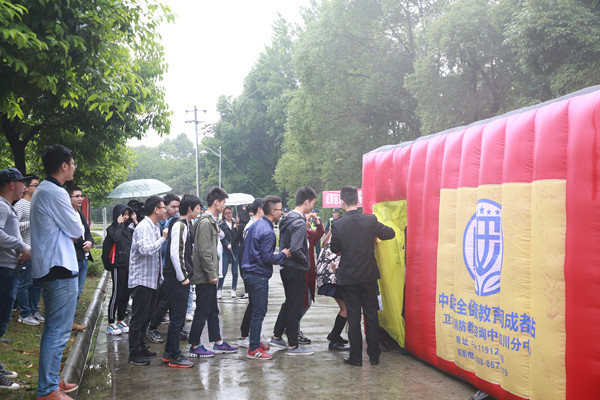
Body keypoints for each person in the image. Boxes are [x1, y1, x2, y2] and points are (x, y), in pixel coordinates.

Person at [30, 145, 83, 399]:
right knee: (58, 331)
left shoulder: (44, 190)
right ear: (64, 165)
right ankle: (48, 390)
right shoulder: (56, 192)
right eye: (72, 163)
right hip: (59, 267)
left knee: (54, 329)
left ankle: (50, 382)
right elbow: (76, 229)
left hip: (50, 266)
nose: (74, 167)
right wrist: (72, 223)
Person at [330, 186, 395, 367]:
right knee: (371, 315)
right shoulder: (370, 220)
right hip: (369, 276)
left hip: (349, 277)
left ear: (342, 202)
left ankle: (356, 358)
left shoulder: (338, 224)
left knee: (353, 318)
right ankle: (374, 356)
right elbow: (390, 233)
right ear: (357, 201)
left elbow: (334, 248)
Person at [188, 187, 237, 358]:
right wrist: (211, 275)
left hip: (209, 274)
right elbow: (204, 251)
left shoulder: (210, 221)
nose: (224, 206)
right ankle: (195, 345)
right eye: (223, 202)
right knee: (202, 309)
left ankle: (218, 342)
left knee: (213, 309)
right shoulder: (205, 222)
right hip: (204, 276)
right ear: (216, 202)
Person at [240, 195, 291, 360]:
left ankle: (254, 342)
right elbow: (267, 257)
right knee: (259, 312)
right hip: (258, 275)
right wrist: (283, 255)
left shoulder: (257, 224)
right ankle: (254, 348)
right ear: (272, 211)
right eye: (280, 210)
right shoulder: (268, 231)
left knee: (256, 309)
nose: (282, 212)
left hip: (249, 272)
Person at [271, 186, 317, 356]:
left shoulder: (288, 218)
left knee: (289, 303)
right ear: (307, 202)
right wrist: (307, 264)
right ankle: (293, 345)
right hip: (296, 269)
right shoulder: (298, 222)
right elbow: (297, 248)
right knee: (295, 306)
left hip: (286, 267)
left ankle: (277, 336)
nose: (312, 206)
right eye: (312, 203)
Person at [161, 194, 202, 368]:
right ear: (190, 208)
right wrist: (183, 277)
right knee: (177, 318)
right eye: (197, 208)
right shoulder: (180, 225)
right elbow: (175, 254)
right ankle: (175, 356)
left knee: (178, 318)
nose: (199, 211)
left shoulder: (186, 224)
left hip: (178, 278)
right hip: (177, 279)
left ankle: (168, 352)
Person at [127, 196, 168, 366]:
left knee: (146, 317)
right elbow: (145, 250)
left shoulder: (155, 226)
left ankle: (142, 346)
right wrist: (163, 239)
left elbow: (156, 255)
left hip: (152, 280)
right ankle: (134, 352)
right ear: (156, 210)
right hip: (142, 280)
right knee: (138, 318)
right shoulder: (144, 226)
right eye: (163, 207)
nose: (165, 210)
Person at [0, 168, 31, 391]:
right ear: (12, 184)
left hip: (9, 269)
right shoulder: (1, 206)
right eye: (22, 183)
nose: (25, 187)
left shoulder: (6, 206)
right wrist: (21, 246)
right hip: (4, 271)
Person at [146, 193, 180, 344]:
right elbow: (158, 248)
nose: (176, 210)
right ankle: (151, 327)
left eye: (178, 207)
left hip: (169, 266)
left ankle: (174, 327)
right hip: (162, 267)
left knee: (171, 299)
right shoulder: (158, 224)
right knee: (164, 300)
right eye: (173, 207)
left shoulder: (172, 221)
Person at [14, 174, 43, 326]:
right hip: (26, 250)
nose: (38, 188)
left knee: (37, 283)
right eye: (35, 185)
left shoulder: (36, 204)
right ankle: (24, 313)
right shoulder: (20, 205)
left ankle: (33, 310)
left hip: (38, 249)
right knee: (25, 283)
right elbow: (14, 226)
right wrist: (31, 222)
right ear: (25, 188)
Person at [316, 230, 350, 351]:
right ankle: (334, 339)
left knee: (344, 308)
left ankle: (335, 335)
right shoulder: (341, 239)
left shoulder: (330, 238)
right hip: (333, 277)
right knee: (346, 309)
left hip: (326, 277)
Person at [105, 204, 136, 335]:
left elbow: (138, 238)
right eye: (124, 214)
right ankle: (110, 323)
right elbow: (116, 238)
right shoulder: (112, 229)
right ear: (118, 215)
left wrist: (135, 222)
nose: (126, 217)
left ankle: (120, 320)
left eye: (128, 214)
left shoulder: (129, 230)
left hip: (128, 265)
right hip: (118, 265)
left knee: (125, 294)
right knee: (117, 294)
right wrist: (120, 225)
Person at [237, 198, 263, 347]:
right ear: (260, 209)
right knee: (255, 305)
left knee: (254, 304)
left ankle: (248, 334)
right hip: (253, 269)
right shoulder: (253, 225)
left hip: (250, 268)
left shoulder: (252, 224)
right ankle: (246, 336)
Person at [67, 185, 92, 332]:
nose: (80, 198)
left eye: (81, 196)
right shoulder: (67, 214)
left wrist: (89, 242)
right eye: (76, 196)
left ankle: (71, 320)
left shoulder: (79, 214)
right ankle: (68, 322)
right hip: (74, 256)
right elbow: (72, 234)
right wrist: (84, 244)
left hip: (84, 257)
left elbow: (86, 232)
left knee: (78, 292)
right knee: (72, 291)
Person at [218, 206, 239, 299]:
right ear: (223, 214)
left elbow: (237, 237)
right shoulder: (221, 226)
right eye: (226, 213)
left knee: (235, 271)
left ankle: (233, 290)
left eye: (230, 213)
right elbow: (221, 238)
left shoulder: (236, 224)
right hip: (226, 250)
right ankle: (219, 289)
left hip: (235, 249)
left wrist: (235, 229)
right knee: (223, 270)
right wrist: (227, 244)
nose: (228, 215)